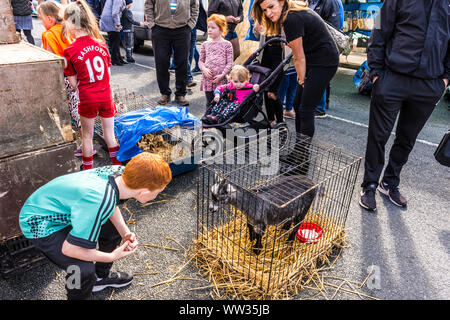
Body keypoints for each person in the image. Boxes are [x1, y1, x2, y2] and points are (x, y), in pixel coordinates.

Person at [19, 152, 172, 300]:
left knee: (114, 228)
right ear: (144, 192)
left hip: (63, 208)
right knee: (81, 270)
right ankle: (77, 297)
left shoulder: (120, 172)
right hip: (39, 223)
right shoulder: (99, 200)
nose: (156, 196)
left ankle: (100, 278)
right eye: (157, 193)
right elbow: (69, 249)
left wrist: (125, 232)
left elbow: (109, 203)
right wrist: (112, 256)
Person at [359, 0, 449, 212]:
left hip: (429, 84)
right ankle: (369, 185)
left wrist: (444, 81)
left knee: (407, 139)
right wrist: (376, 74)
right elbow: (378, 31)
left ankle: (390, 182)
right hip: (391, 79)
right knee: (378, 136)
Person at [252, 0, 338, 164]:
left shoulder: (291, 18)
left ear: (282, 2)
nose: (268, 13)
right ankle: (298, 153)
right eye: (264, 10)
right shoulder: (290, 13)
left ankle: (301, 159)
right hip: (314, 60)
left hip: (323, 62)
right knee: (298, 105)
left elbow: (298, 56)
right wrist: (302, 78)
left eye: (271, 7)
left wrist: (302, 79)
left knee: (305, 109)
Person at [63, 0, 121, 170]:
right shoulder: (101, 44)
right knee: (109, 134)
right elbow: (107, 75)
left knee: (87, 137)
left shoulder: (69, 51)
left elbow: (73, 84)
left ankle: (88, 171)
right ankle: (118, 168)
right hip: (105, 95)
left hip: (87, 97)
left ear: (70, 23)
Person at [36, 1, 94, 158]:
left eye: (41, 18)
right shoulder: (66, 30)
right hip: (80, 75)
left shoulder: (48, 35)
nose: (41, 22)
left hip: (66, 78)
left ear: (49, 19)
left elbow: (50, 61)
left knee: (75, 112)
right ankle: (87, 141)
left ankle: (86, 144)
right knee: (79, 111)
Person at [145, 0, 199, 106]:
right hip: (160, 29)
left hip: (183, 29)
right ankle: (165, 93)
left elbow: (195, 6)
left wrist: (190, 25)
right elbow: (148, 4)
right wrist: (151, 24)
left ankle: (180, 94)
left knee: (182, 63)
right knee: (161, 62)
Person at [308, 0, 343, 118]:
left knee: (319, 75)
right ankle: (319, 104)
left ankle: (319, 108)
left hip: (323, 45)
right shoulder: (309, 2)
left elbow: (334, 26)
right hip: (312, 45)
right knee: (314, 76)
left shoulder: (330, 2)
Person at [198, 14, 233, 108]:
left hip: (221, 80)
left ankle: (221, 121)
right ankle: (208, 120)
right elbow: (200, 61)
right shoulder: (205, 44)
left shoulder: (227, 44)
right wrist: (204, 69)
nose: (209, 30)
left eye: (213, 27)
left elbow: (229, 63)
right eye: (208, 27)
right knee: (209, 102)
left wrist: (222, 75)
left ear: (221, 29)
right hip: (208, 79)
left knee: (222, 102)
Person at [253, 21, 284, 127]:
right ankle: (270, 120)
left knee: (272, 92)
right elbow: (256, 34)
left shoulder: (285, 14)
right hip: (266, 53)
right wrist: (256, 28)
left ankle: (280, 120)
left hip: (280, 54)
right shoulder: (264, 15)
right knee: (266, 89)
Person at [100, 0, 127, 66]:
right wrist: (117, 24)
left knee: (114, 40)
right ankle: (115, 60)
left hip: (108, 18)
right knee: (115, 40)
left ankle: (118, 58)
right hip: (111, 19)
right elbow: (115, 12)